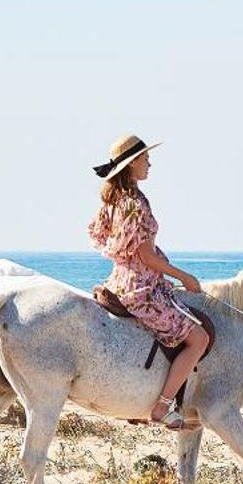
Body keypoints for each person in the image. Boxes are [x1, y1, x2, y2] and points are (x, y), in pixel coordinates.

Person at [88, 134, 209, 427]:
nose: (150, 164)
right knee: (198, 339)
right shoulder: (137, 203)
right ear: (131, 165)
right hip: (140, 290)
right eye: (145, 159)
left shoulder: (115, 201)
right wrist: (183, 276)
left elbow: (104, 238)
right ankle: (162, 407)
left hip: (118, 281)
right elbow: (145, 257)